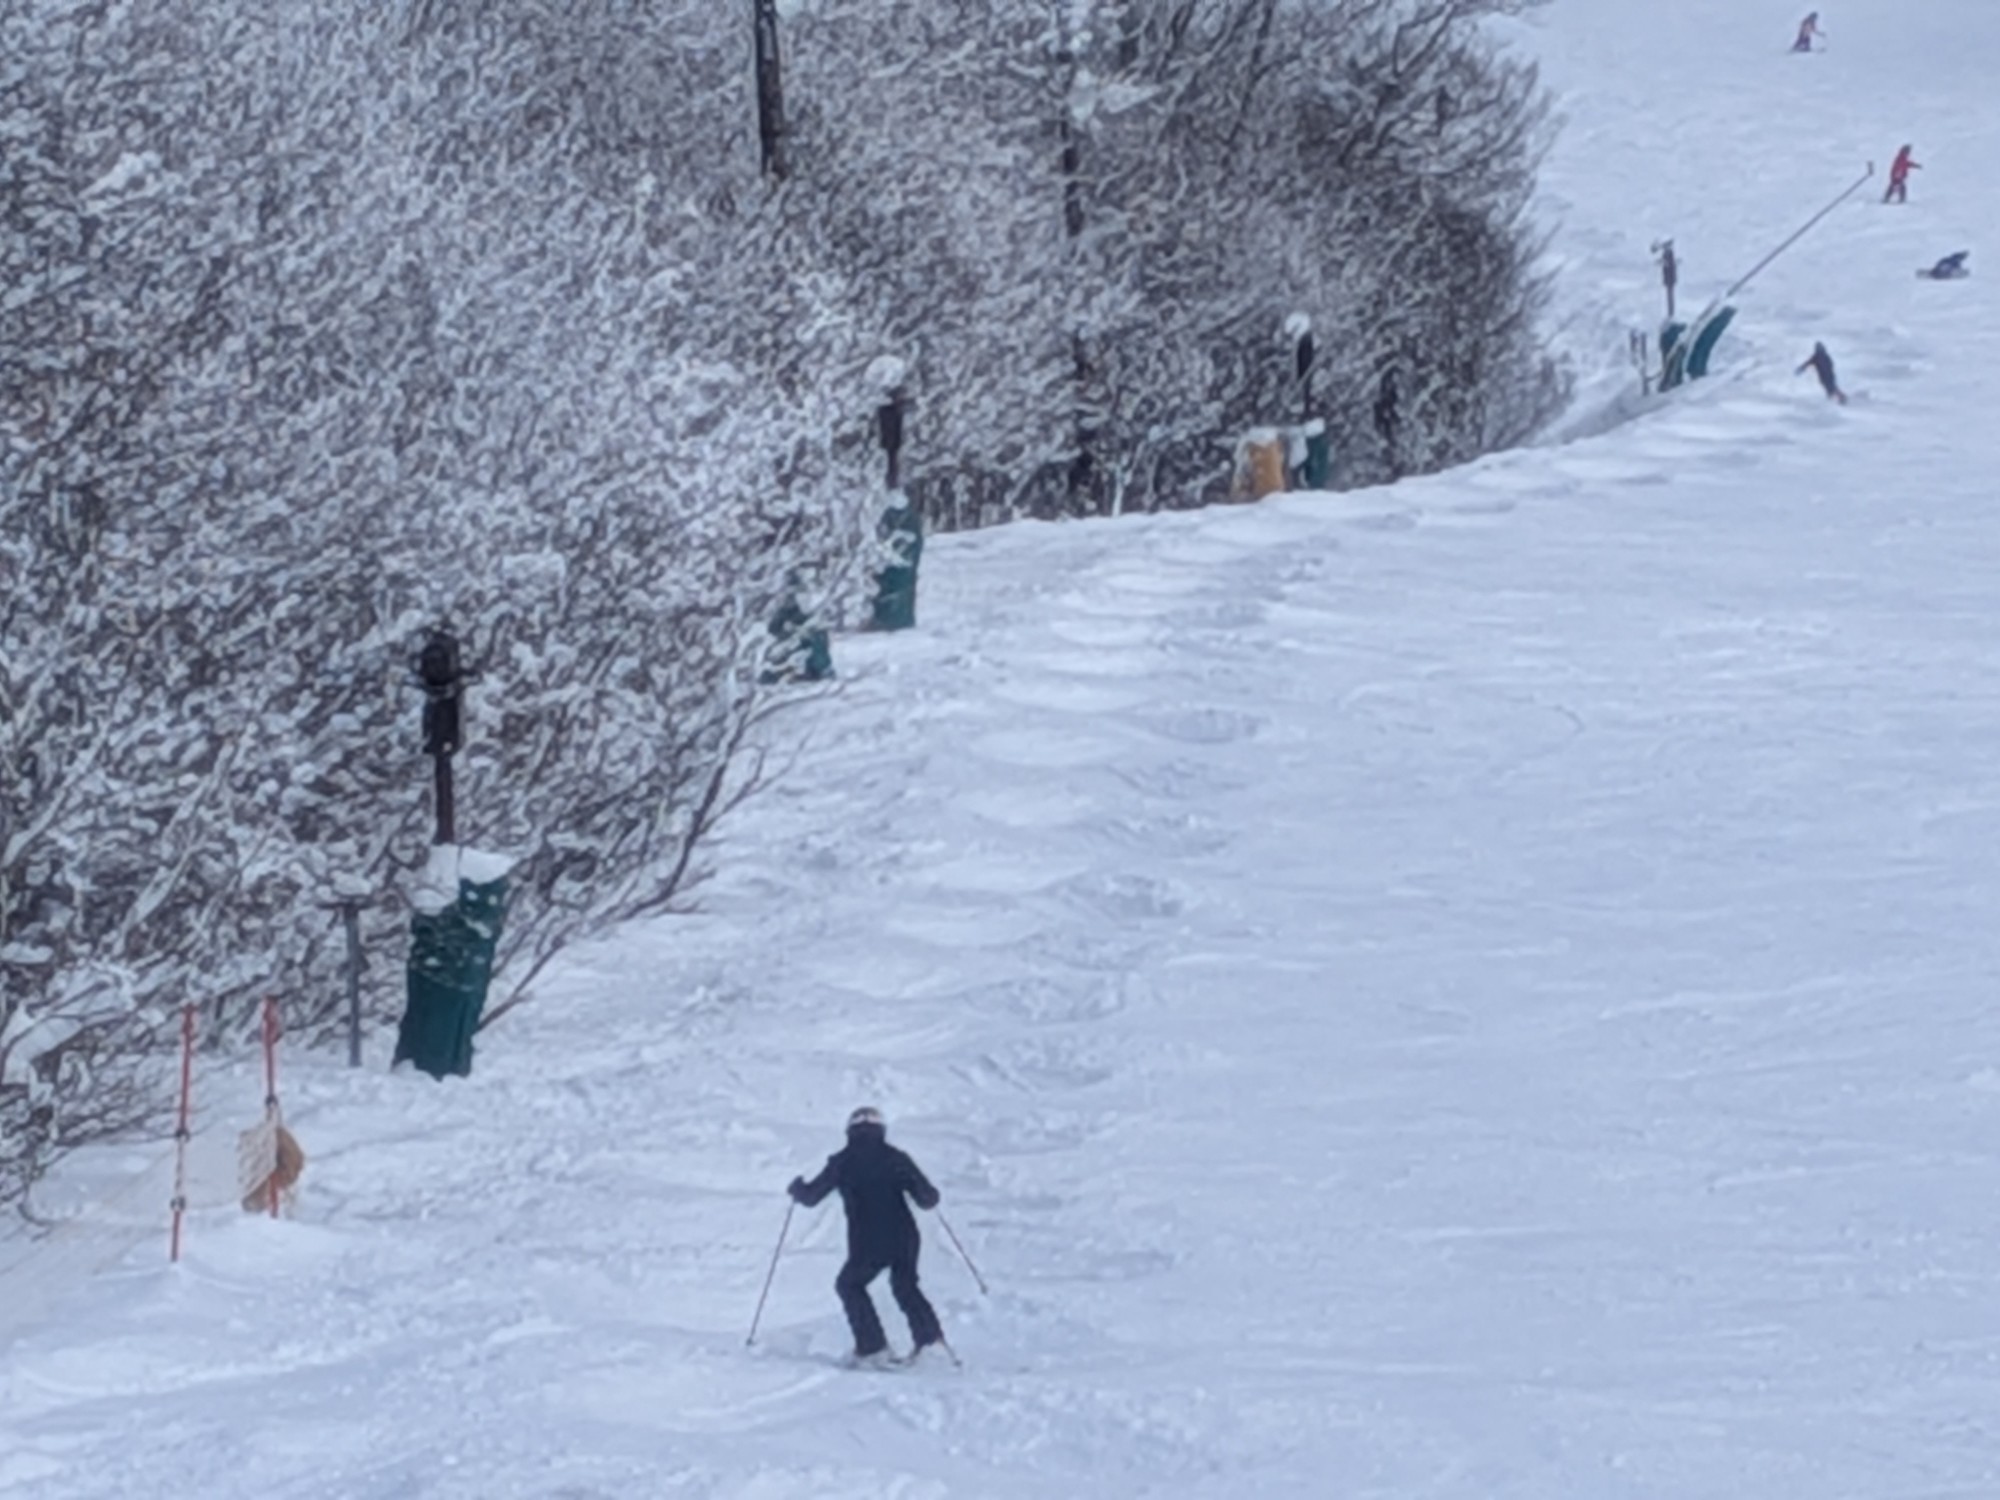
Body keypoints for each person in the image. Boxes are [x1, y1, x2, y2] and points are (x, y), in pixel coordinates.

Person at [789, 1106, 946, 1366]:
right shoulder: (897, 1158)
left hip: (868, 1240)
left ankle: (872, 1347)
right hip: (904, 1236)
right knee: (905, 1285)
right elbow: (927, 1198)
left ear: (850, 1131)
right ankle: (931, 1343)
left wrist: (797, 1188)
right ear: (880, 1130)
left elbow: (811, 1197)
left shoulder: (842, 1161)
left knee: (850, 1285)